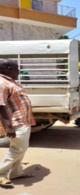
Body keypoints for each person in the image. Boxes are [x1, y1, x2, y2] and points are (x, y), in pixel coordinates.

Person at [0, 60, 35, 188]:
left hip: (22, 120)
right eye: (17, 67)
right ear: (9, 68)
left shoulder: (10, 80)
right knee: (18, 149)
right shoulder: (1, 83)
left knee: (21, 148)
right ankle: (1, 174)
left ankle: (15, 172)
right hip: (15, 123)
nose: (19, 70)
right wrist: (9, 126)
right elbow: (0, 106)